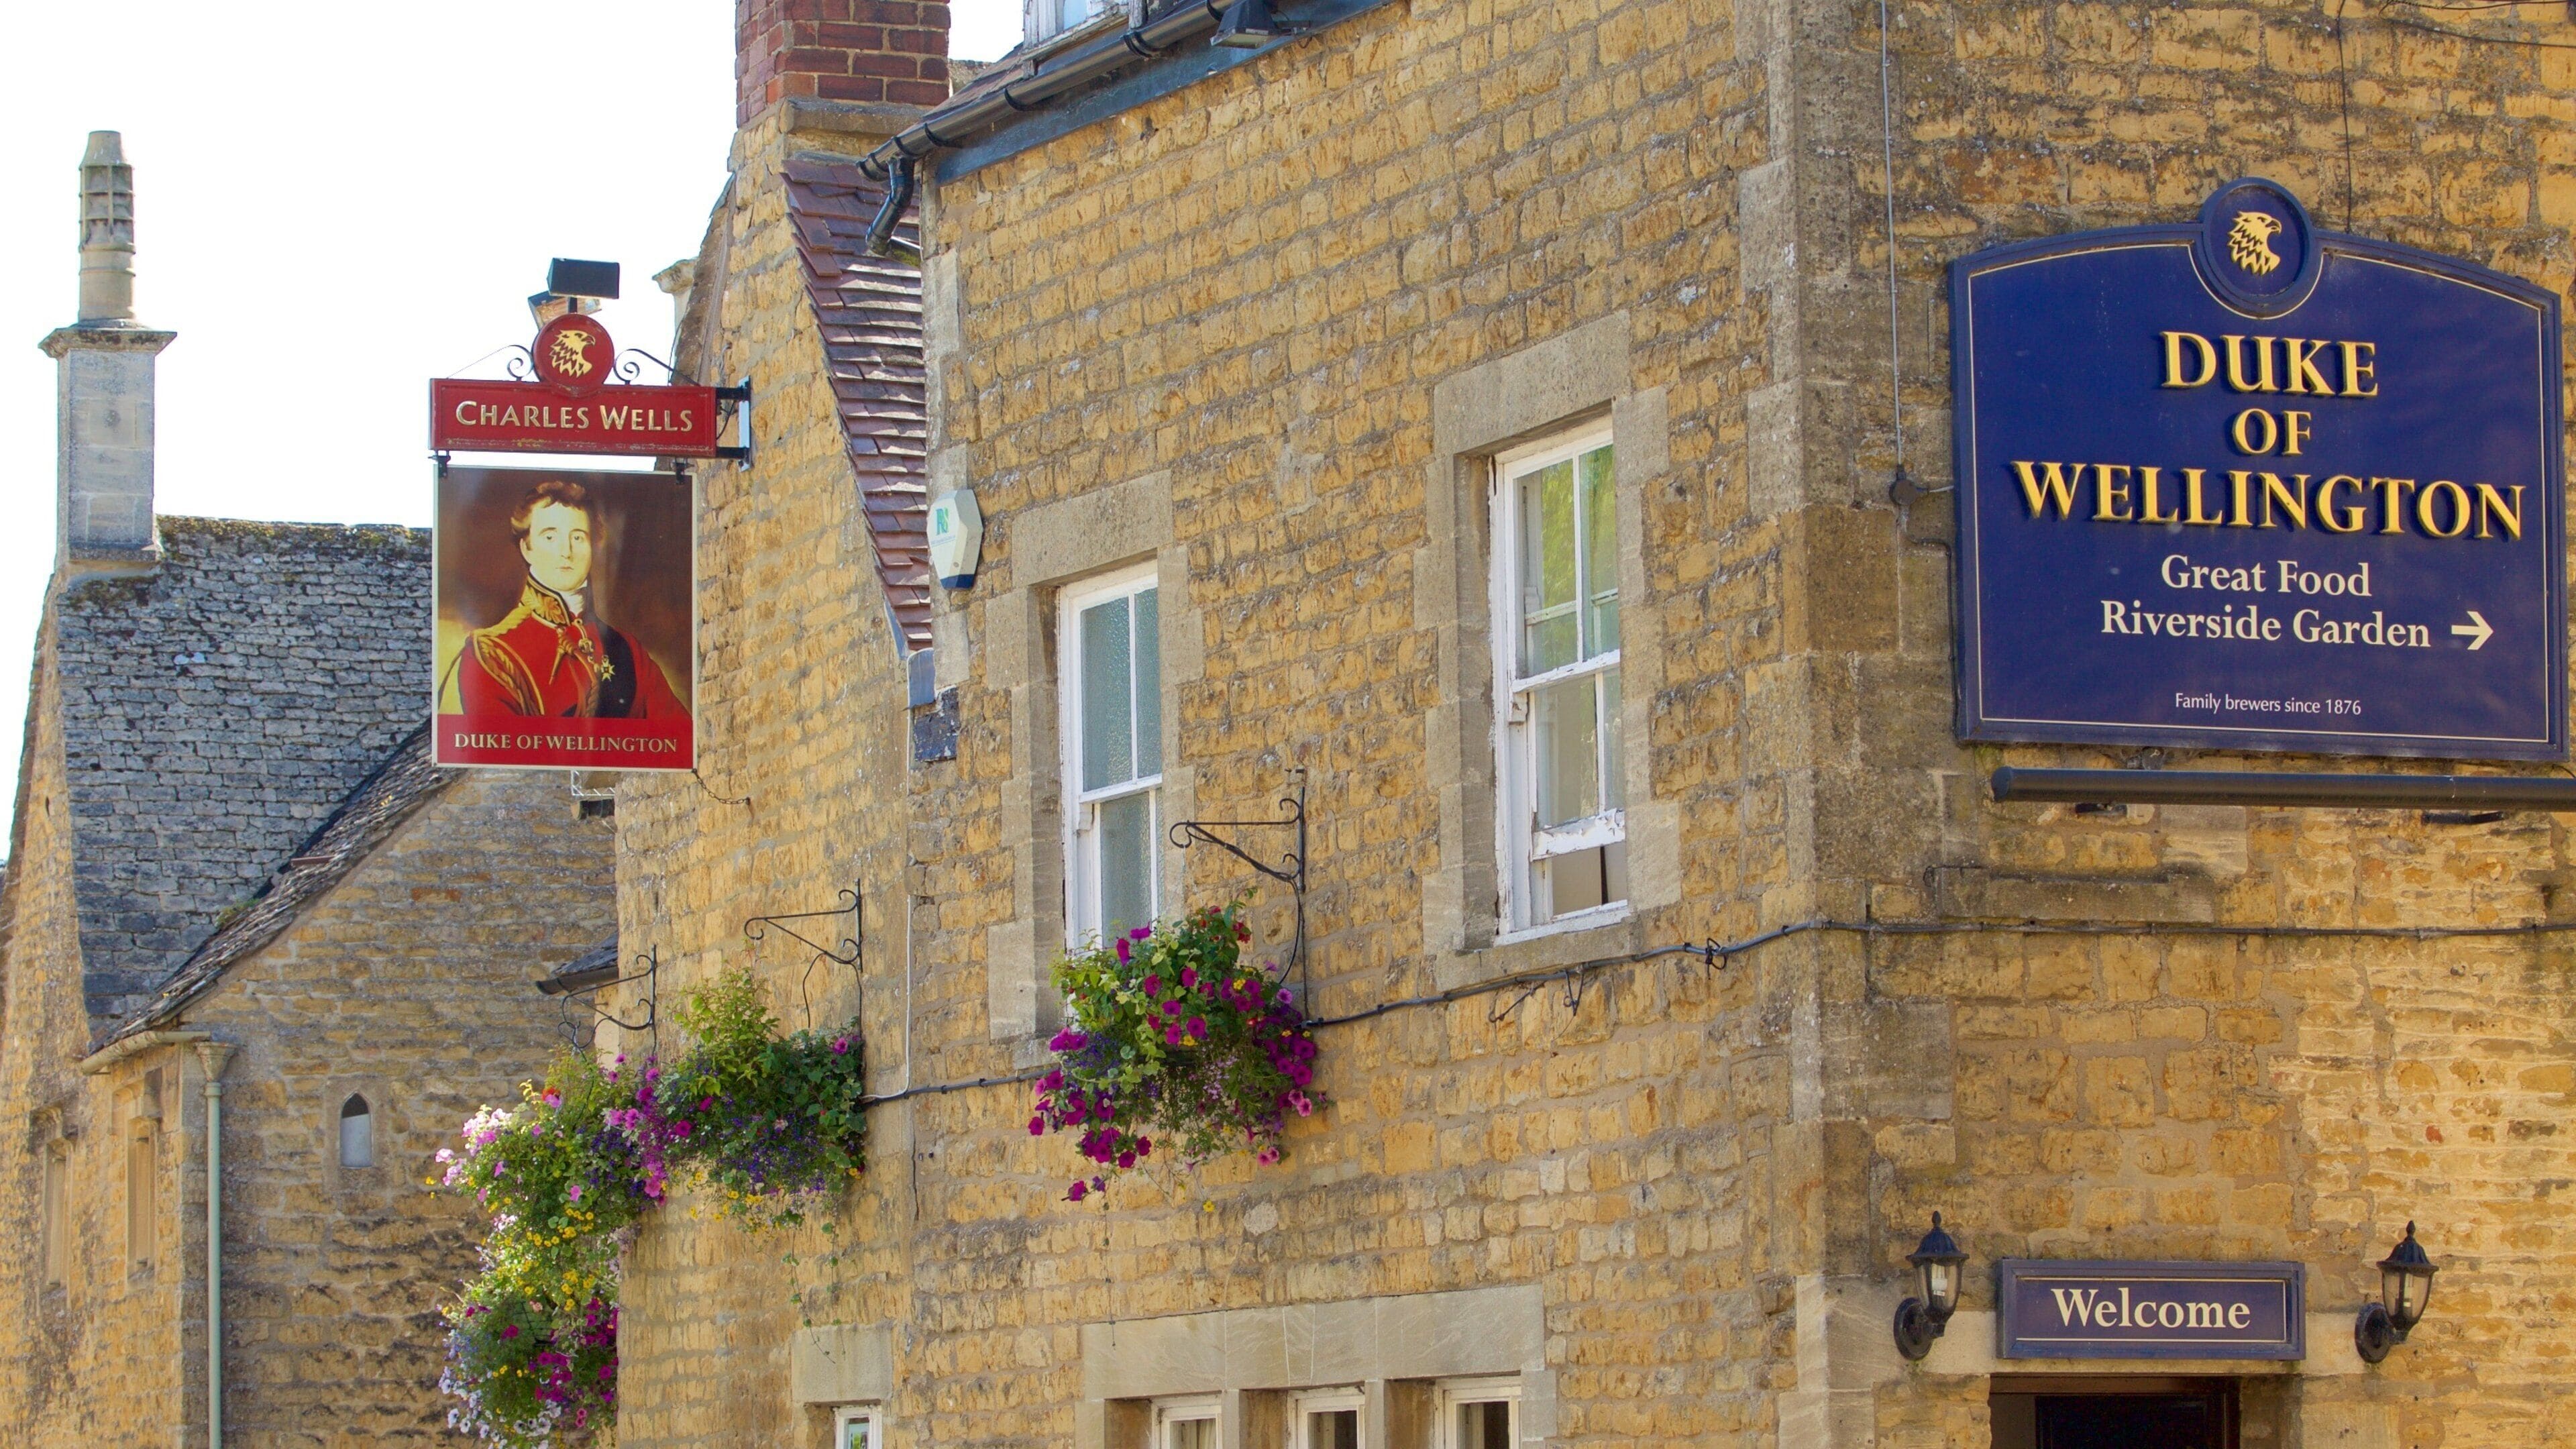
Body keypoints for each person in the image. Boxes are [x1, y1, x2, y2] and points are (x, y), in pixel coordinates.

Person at [451, 479, 688, 720]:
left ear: (594, 547)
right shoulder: (491, 653)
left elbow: (678, 739)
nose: (566, 551)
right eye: (550, 537)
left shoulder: (627, 650)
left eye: (578, 538)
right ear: (527, 548)